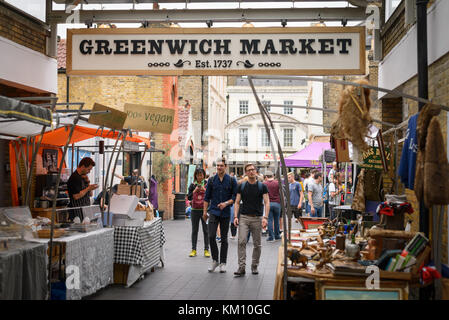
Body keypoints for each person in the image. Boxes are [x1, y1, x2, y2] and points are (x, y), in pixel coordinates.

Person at [233, 163, 269, 276]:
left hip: (257, 218)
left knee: (257, 244)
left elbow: (267, 202)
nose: (251, 172)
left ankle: (254, 266)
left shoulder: (262, 186)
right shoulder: (242, 186)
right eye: (249, 170)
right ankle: (241, 267)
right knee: (241, 241)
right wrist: (235, 216)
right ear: (246, 173)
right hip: (244, 217)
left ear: (256, 171)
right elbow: (237, 202)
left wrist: (265, 217)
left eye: (253, 169)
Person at [203, 157, 237, 273]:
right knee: (211, 236)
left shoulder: (231, 180)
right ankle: (215, 260)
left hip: (226, 213)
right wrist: (204, 212)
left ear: (225, 167)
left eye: (221, 165)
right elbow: (206, 198)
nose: (219, 167)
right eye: (217, 165)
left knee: (224, 239)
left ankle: (223, 262)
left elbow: (235, 197)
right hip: (213, 211)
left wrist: (226, 203)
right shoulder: (212, 180)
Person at [187, 168, 210, 258]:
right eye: (198, 175)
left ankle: (206, 250)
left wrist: (204, 189)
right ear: (195, 176)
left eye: (201, 175)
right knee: (194, 230)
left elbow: (210, 196)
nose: (199, 177)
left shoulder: (207, 184)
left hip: (205, 210)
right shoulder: (192, 185)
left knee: (206, 230)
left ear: (204, 175)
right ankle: (193, 250)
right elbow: (188, 197)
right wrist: (194, 191)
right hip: (194, 210)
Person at [264, 170, 281, 241]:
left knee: (270, 220)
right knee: (276, 220)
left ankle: (271, 236)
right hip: (277, 203)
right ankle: (277, 235)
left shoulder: (264, 184)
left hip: (268, 204)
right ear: (273, 176)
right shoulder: (277, 183)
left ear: (266, 177)